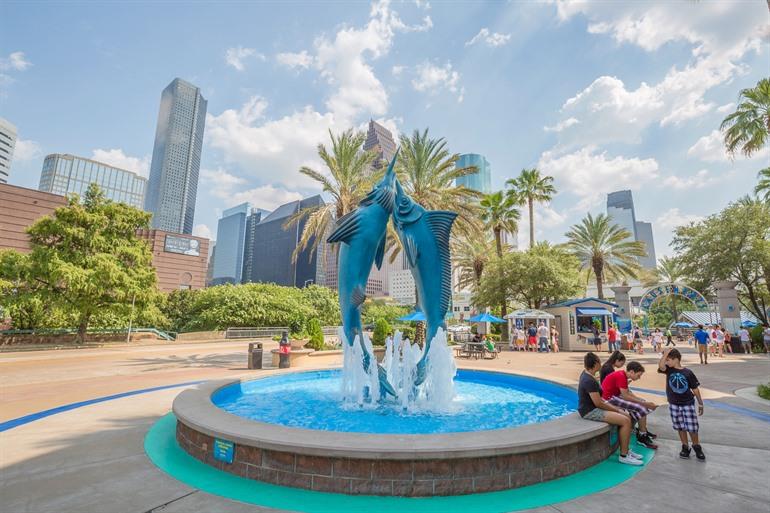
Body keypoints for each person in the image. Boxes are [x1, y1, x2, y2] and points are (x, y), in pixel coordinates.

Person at [577, 352, 643, 466]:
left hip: (593, 407)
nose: (601, 364)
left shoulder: (587, 374)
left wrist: (615, 408)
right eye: (599, 361)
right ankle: (624, 456)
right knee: (625, 421)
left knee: (626, 415)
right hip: (589, 411)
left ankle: (625, 449)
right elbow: (598, 403)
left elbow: (600, 401)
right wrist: (616, 410)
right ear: (596, 363)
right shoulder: (589, 381)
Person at [658, 348, 705, 461]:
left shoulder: (688, 372)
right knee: (680, 426)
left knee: (692, 427)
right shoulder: (668, 370)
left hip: (687, 403)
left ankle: (696, 446)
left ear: (676, 359)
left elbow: (695, 389)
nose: (666, 362)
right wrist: (665, 354)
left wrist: (700, 403)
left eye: (668, 360)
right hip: (674, 403)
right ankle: (685, 446)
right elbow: (661, 366)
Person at [601, 361, 659, 449]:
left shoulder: (623, 375)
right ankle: (642, 436)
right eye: (638, 375)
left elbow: (627, 393)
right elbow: (625, 396)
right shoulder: (621, 376)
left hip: (614, 396)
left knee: (642, 404)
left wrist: (642, 401)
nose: (639, 378)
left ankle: (642, 431)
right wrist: (646, 404)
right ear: (631, 372)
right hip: (609, 399)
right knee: (642, 409)